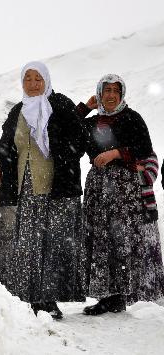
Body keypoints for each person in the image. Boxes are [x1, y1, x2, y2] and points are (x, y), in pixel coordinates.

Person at [0, 61, 87, 319]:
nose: (33, 83)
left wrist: (59, 152)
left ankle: (48, 298)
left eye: (38, 79)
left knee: (53, 243)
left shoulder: (60, 105)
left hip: (56, 187)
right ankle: (29, 296)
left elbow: (78, 140)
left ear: (46, 80)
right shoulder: (18, 111)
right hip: (26, 187)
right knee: (28, 243)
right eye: (28, 79)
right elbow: (5, 147)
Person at [77, 74, 157, 315]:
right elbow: (66, 134)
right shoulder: (92, 122)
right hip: (98, 189)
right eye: (106, 90)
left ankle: (121, 294)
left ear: (121, 94)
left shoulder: (132, 118)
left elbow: (144, 149)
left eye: (115, 90)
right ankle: (107, 295)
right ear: (99, 93)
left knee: (120, 238)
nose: (111, 95)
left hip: (124, 190)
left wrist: (116, 153)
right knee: (101, 238)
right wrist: (83, 108)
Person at [128, 153, 164, 303]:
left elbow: (150, 177)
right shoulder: (125, 155)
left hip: (146, 212)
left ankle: (150, 293)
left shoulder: (149, 154)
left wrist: (128, 171)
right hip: (128, 213)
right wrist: (135, 169)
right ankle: (132, 294)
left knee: (149, 253)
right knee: (132, 254)